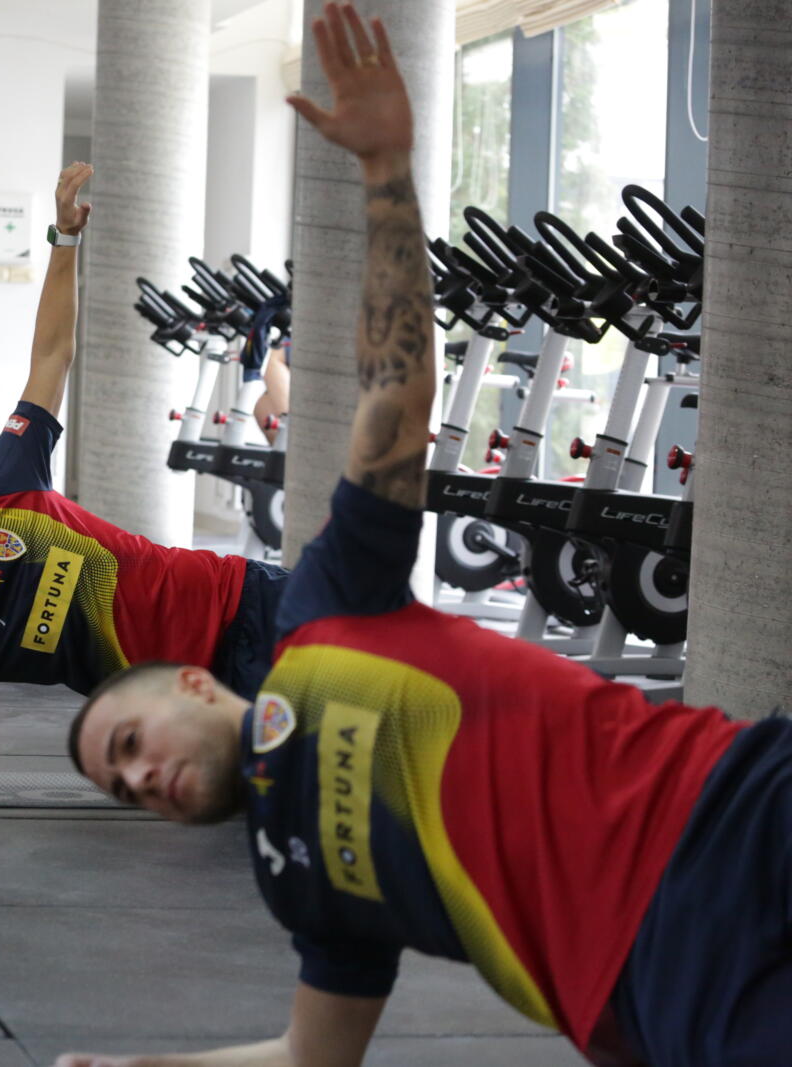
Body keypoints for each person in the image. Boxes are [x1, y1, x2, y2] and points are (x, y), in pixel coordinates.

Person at [62, 8, 787, 1066]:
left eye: (129, 746)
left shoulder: (320, 617)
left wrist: (385, 174)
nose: (139, 781)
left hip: (723, 804)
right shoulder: (298, 880)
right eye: (122, 789)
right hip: (650, 982)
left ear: (193, 685)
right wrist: (145, 1065)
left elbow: (394, 403)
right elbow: (310, 1057)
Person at [0, 164, 289, 796]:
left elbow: (51, 355)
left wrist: (64, 238)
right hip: (204, 703)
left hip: (243, 601)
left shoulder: (7, 491)